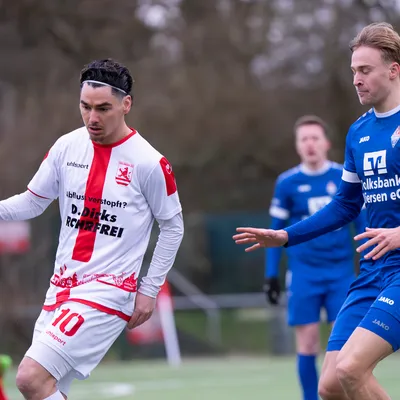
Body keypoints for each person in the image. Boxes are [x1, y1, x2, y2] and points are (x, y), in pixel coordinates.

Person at [234, 22, 400, 400]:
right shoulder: (359, 132)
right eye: (353, 71)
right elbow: (345, 204)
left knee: (351, 368)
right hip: (373, 271)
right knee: (329, 386)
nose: (356, 80)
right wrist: (286, 235)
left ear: (394, 70)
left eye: (365, 70)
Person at [1, 59, 184, 400]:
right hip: (61, 287)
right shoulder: (66, 146)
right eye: (85, 107)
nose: (92, 118)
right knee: (43, 389)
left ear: (126, 104)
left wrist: (149, 289)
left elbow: (173, 227)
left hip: (108, 291)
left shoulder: (149, 163)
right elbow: (33, 202)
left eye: (103, 108)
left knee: (29, 377)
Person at [264, 115, 365, 400]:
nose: (310, 144)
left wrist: (369, 264)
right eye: (304, 139)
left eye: (315, 138)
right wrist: (271, 275)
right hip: (304, 274)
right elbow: (274, 232)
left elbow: (362, 225)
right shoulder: (287, 183)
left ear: (327, 143)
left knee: (344, 346)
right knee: (307, 344)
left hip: (341, 274)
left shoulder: (344, 177)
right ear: (297, 146)